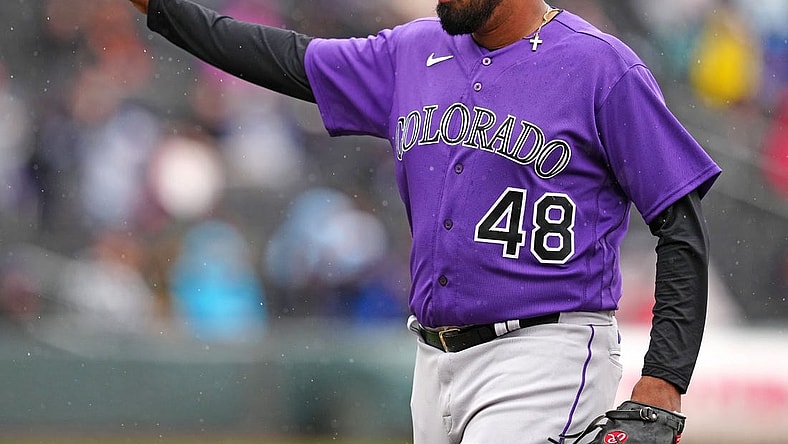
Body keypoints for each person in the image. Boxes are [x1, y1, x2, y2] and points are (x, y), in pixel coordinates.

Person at [124, 0, 722, 442]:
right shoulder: (412, 52)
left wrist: (664, 382)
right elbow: (284, 59)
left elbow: (679, 221)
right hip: (432, 360)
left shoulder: (600, 68)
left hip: (546, 351)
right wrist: (166, 10)